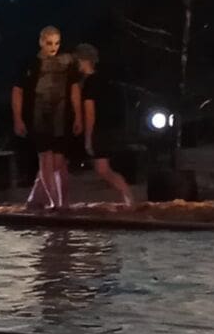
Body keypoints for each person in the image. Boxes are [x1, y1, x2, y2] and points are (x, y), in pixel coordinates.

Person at [12, 26, 82, 209]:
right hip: (39, 114)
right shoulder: (30, 63)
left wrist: (78, 115)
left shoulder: (66, 63)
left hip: (61, 115)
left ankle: (41, 199)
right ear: (41, 42)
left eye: (56, 43)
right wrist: (18, 118)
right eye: (49, 43)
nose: (53, 47)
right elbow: (18, 91)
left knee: (58, 161)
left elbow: (74, 89)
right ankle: (54, 202)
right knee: (45, 157)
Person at [75, 43, 136, 207]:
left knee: (102, 168)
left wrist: (88, 138)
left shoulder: (89, 83)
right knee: (102, 168)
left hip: (100, 130)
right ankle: (128, 198)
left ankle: (129, 198)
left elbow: (90, 112)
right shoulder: (102, 80)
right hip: (108, 128)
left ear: (83, 60)